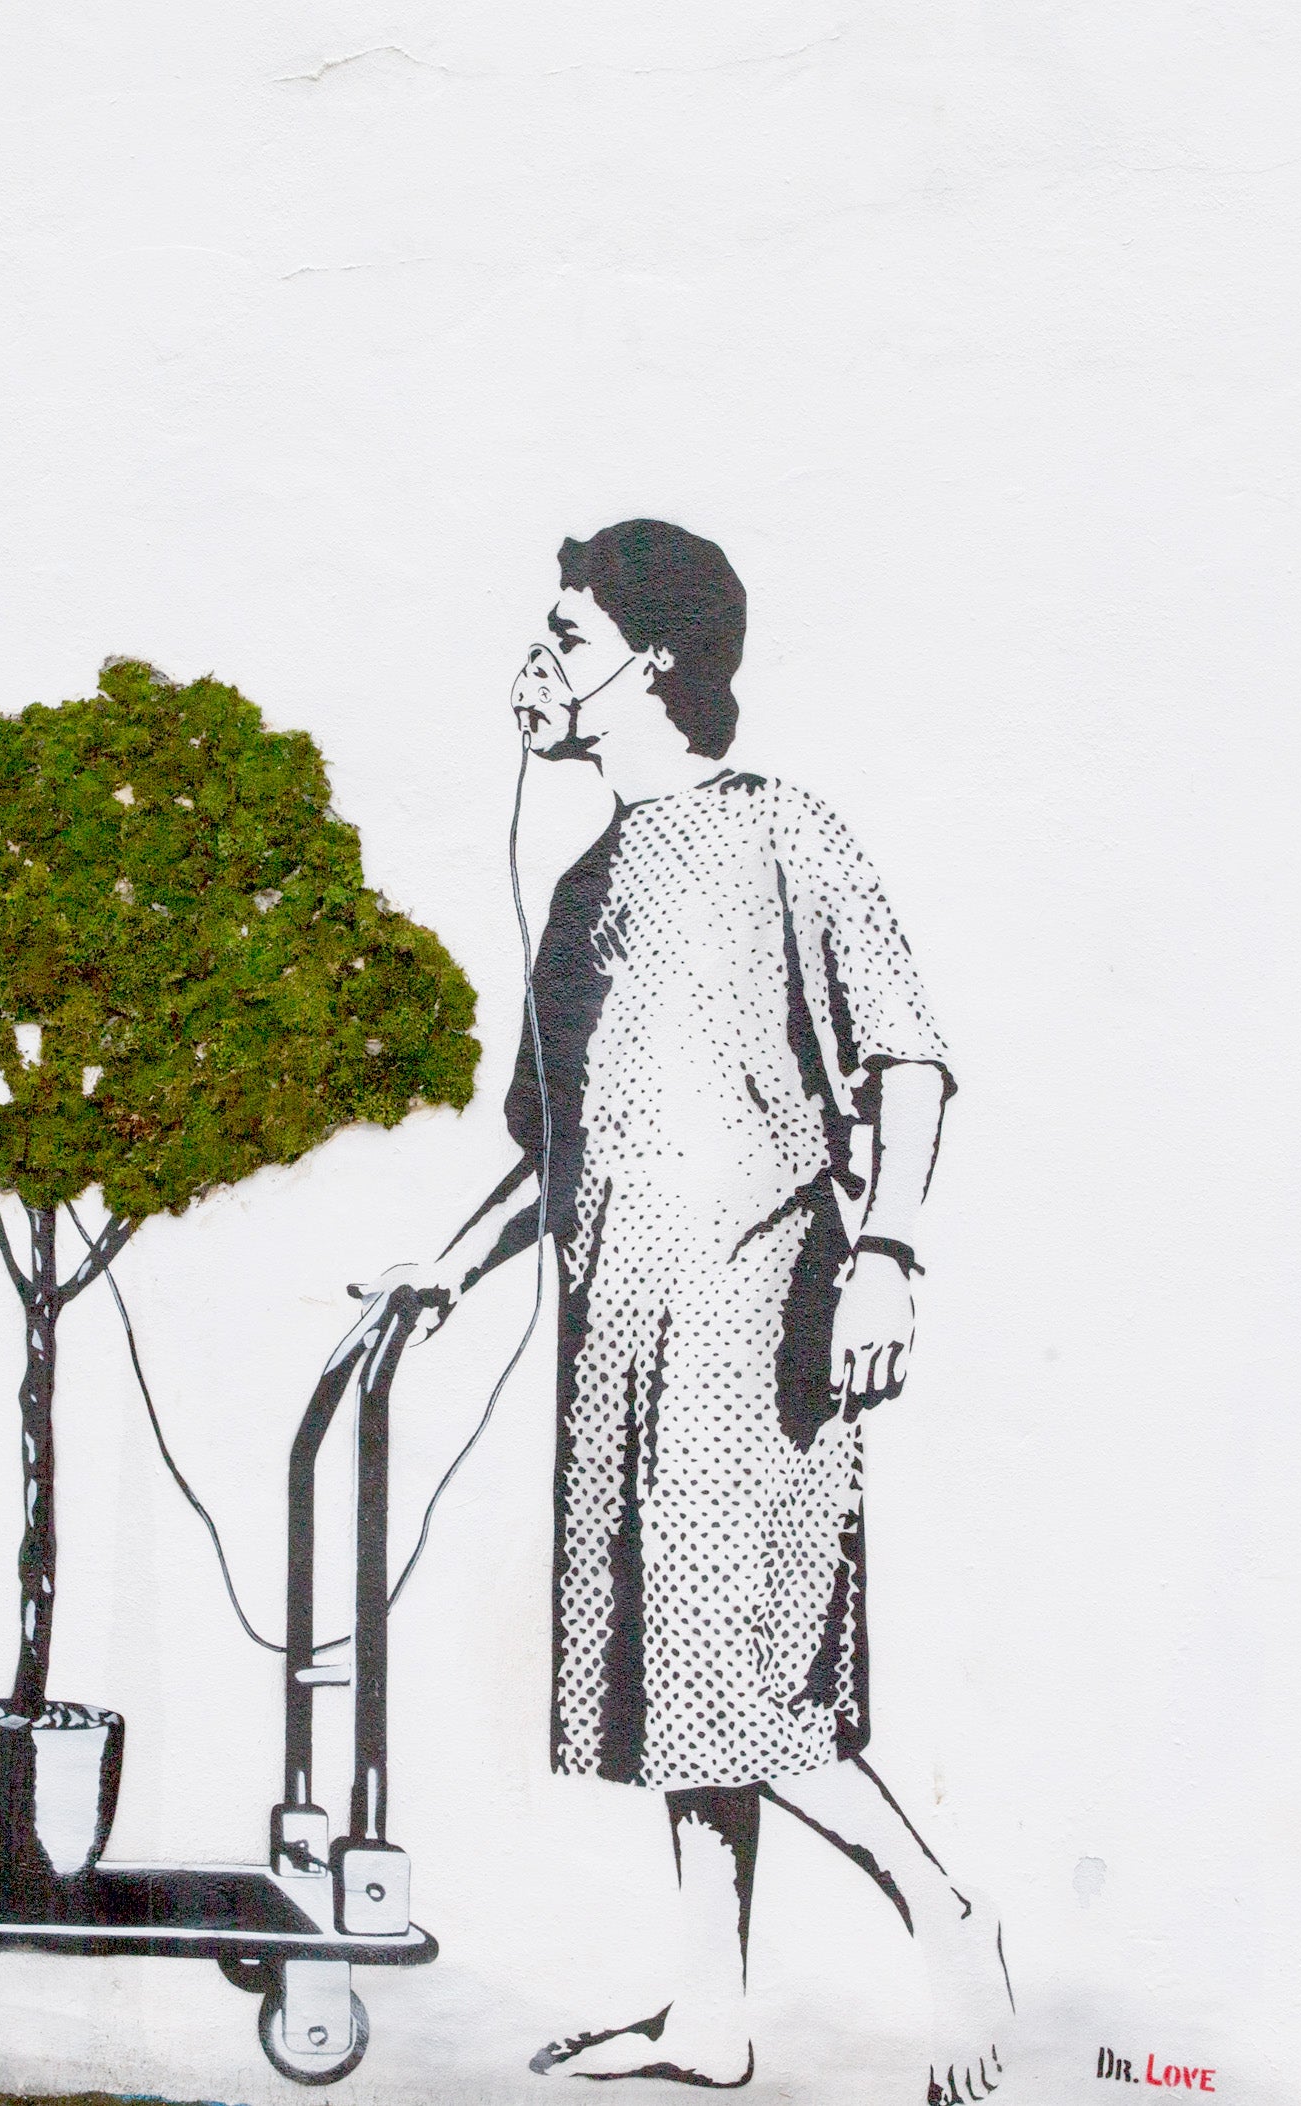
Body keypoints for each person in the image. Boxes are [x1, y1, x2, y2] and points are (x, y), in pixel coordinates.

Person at [350, 521, 1010, 2099]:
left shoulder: (785, 830)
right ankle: (709, 2016)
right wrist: (455, 1259)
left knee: (758, 1674)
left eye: (565, 639)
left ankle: (948, 1907)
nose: (534, 668)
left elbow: (906, 1057)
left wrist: (889, 1253)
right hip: (619, 1334)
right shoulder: (582, 887)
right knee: (673, 1677)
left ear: (654, 665)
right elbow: (554, 1149)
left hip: (762, 1315)